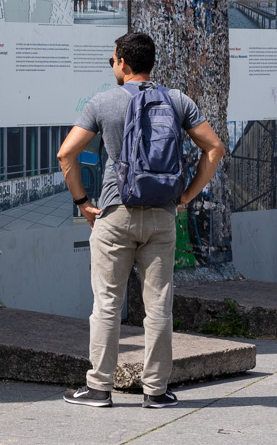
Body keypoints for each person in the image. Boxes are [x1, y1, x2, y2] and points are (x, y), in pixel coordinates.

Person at [55, 30, 226, 409]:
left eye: (112, 59)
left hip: (115, 213)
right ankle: (156, 390)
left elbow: (66, 154)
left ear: (123, 63)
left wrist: (82, 202)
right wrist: (186, 196)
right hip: (162, 216)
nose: (112, 65)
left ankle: (99, 388)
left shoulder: (103, 102)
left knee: (107, 303)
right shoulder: (177, 101)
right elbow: (214, 148)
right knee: (159, 306)